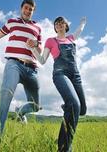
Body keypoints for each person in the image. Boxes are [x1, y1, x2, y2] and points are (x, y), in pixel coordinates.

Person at [0, 0, 42, 151]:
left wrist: (35, 44)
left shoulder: (37, 28)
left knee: (36, 105)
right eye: (26, 8)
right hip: (14, 64)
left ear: (33, 11)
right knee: (5, 95)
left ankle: (21, 113)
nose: (28, 11)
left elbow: (40, 51)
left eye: (31, 9)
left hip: (32, 69)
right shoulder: (12, 22)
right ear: (21, 8)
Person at [27, 16, 87, 152]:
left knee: (82, 110)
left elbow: (80, 30)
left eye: (62, 23)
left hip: (75, 75)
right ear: (55, 27)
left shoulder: (71, 38)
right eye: (57, 23)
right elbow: (42, 60)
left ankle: (67, 106)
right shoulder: (51, 41)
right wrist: (32, 48)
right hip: (60, 74)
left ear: (66, 26)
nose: (59, 25)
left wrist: (83, 22)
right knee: (74, 104)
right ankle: (64, 147)